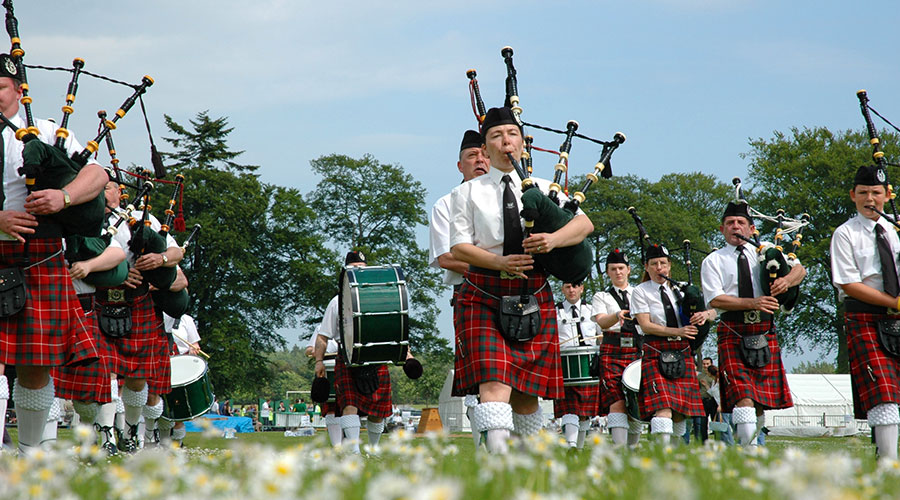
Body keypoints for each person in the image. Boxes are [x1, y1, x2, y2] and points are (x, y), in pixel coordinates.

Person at [448, 106, 594, 454]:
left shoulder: (545, 188)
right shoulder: (466, 193)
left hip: (534, 293)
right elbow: (459, 247)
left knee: (528, 395)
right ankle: (499, 462)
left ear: (522, 145)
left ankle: (527, 466)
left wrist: (553, 240)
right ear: (485, 148)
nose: (506, 142)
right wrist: (499, 262)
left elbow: (584, 225)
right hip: (485, 292)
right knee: (495, 384)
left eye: (512, 135)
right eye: (497, 136)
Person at [0, 54, 108, 455]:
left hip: (40, 255)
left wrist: (63, 197)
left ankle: (30, 453)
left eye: (0, 87)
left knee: (34, 367)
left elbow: (96, 175)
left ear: (18, 90)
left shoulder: (46, 131)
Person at [701, 201, 804, 447]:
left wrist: (787, 281)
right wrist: (754, 302)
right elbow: (715, 299)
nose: (735, 227)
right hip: (733, 329)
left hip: (764, 329)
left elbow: (800, 270)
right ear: (722, 229)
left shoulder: (766, 250)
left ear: (751, 227)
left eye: (740, 223)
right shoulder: (713, 260)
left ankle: (753, 448)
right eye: (729, 223)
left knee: (758, 401)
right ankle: (747, 451)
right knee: (743, 397)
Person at [830, 164, 900, 461]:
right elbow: (848, 283)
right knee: (884, 393)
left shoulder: (896, 228)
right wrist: (894, 303)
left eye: (876, 192)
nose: (870, 199)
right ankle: (887, 462)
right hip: (866, 317)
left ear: (887, 194)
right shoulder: (845, 234)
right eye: (863, 193)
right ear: (852, 196)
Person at [314, 251, 416, 453]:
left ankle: (373, 450)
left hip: (376, 356)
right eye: (354, 268)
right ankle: (354, 452)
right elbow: (323, 336)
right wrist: (319, 361)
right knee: (348, 405)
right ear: (346, 273)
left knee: (378, 410)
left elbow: (394, 328)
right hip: (348, 357)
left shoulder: (379, 297)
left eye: (362, 267)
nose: (358, 271)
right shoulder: (337, 302)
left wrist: (408, 355)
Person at [53, 193, 131, 455]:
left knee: (89, 383)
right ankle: (45, 444)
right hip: (48, 299)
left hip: (84, 304)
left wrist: (88, 265)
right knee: (46, 376)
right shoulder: (45, 219)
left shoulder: (92, 224)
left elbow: (118, 253)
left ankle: (100, 433)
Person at [429, 130, 489, 449]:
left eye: (485, 155)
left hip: (516, 296)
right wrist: (497, 266)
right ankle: (484, 453)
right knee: (477, 381)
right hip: (473, 295)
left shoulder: (512, 200)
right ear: (460, 165)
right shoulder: (446, 204)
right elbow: (446, 257)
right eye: (472, 156)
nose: (480, 161)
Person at [631, 244, 712, 445]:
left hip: (682, 352)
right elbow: (645, 325)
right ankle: (662, 455)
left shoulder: (685, 289)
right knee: (663, 408)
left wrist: (705, 315)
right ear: (646, 267)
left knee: (680, 412)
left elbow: (712, 310)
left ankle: (674, 454)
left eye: (663, 263)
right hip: (656, 350)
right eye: (654, 264)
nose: (659, 268)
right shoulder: (640, 291)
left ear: (669, 266)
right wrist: (678, 332)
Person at [592, 248, 644, 446]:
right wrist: (616, 315)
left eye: (621, 268)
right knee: (616, 401)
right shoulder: (601, 297)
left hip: (636, 349)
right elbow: (602, 323)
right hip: (612, 349)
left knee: (636, 401)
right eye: (613, 269)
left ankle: (632, 449)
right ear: (607, 272)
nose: (618, 272)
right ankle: (620, 450)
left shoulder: (639, 294)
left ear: (629, 270)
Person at [553, 281, 599, 449]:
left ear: (582, 288)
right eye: (567, 286)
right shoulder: (554, 312)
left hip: (589, 364)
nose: (571, 290)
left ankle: (577, 449)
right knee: (569, 409)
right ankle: (571, 445)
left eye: (575, 286)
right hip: (564, 364)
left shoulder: (593, 310)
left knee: (584, 412)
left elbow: (601, 335)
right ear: (562, 289)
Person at [156, 312, 202, 447]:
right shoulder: (153, 314)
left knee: (177, 412)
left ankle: (177, 444)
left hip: (180, 368)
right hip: (159, 363)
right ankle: (151, 441)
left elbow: (195, 345)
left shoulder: (186, 319)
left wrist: (194, 350)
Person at [306, 314, 343, 446]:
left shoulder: (350, 326)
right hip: (326, 371)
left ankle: (350, 448)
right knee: (331, 409)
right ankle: (337, 447)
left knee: (350, 408)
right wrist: (316, 351)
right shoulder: (321, 328)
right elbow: (308, 350)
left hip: (346, 369)